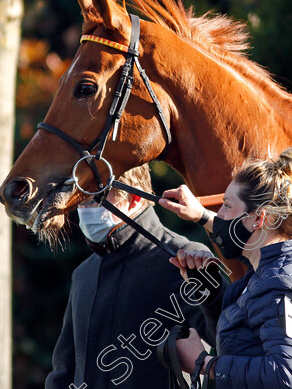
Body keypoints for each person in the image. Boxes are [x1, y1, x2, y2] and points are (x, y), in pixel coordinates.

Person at [158, 147, 292, 389]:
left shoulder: (281, 285)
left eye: (226, 205)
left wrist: (203, 364)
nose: (219, 215)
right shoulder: (281, 263)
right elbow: (244, 338)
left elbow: (287, 376)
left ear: (258, 218)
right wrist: (210, 291)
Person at [45, 164, 210, 389]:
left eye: (95, 198)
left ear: (133, 198)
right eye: (81, 200)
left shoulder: (186, 256)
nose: (84, 208)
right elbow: (64, 371)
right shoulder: (84, 273)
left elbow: (225, 346)